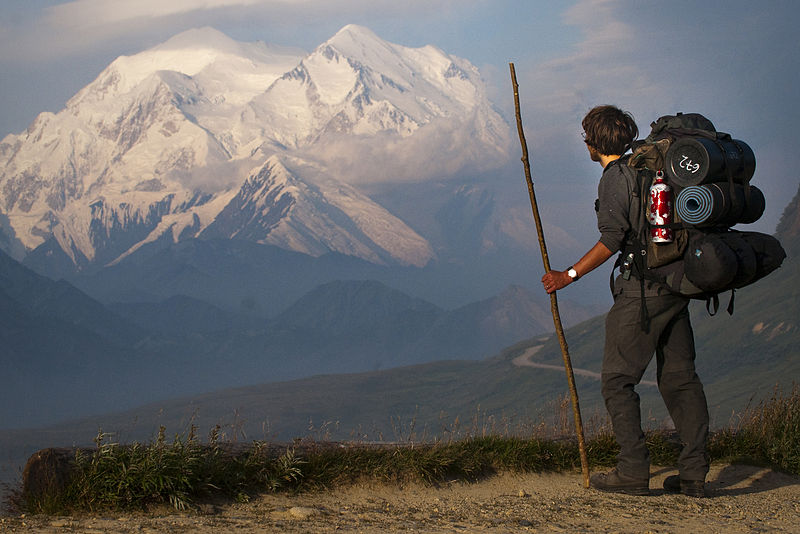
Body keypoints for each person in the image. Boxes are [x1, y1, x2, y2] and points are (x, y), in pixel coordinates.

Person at [541, 105, 709, 497]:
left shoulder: (616, 178)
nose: (584, 142)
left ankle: (632, 470)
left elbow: (612, 239)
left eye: (586, 136)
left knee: (617, 380)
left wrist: (568, 275)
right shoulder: (651, 166)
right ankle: (694, 474)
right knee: (680, 379)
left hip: (643, 290)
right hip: (677, 283)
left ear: (594, 143)